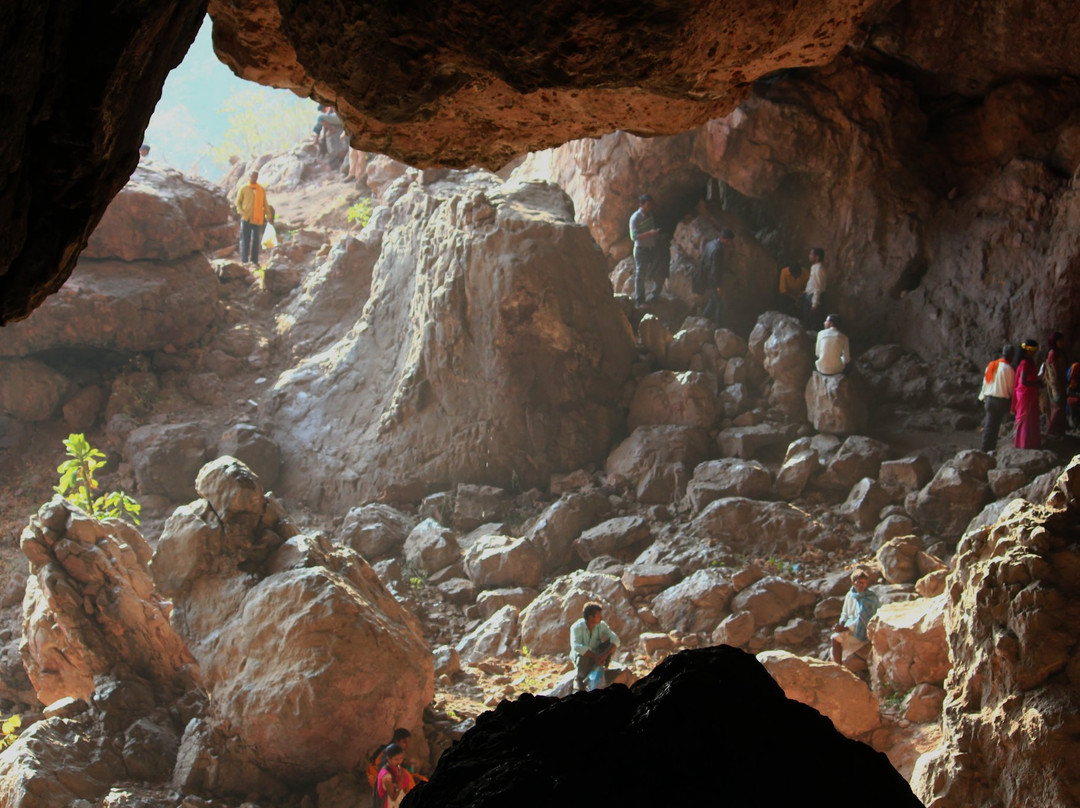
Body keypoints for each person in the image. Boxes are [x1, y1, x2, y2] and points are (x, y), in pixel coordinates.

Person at [831, 570, 880, 666]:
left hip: (863, 631)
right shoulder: (850, 595)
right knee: (835, 638)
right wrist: (840, 624)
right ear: (853, 583)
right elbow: (845, 613)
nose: (863, 585)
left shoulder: (869, 598)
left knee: (835, 639)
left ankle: (839, 668)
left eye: (865, 583)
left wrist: (846, 628)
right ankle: (838, 666)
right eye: (860, 583)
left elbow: (863, 619)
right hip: (850, 626)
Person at [569, 602, 620, 690]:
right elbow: (576, 646)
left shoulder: (601, 625)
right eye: (599, 615)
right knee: (582, 653)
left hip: (599, 657)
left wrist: (604, 655)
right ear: (591, 617)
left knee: (610, 644)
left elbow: (615, 639)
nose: (601, 617)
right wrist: (595, 656)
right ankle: (580, 678)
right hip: (584, 659)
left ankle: (603, 669)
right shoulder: (576, 627)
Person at [979, 344, 1016, 453]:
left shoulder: (992, 365)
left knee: (989, 426)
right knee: (995, 427)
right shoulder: (1009, 369)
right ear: (1011, 355)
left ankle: (986, 449)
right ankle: (989, 449)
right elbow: (1011, 388)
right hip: (1001, 401)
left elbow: (985, 383)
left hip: (990, 400)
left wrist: (983, 397)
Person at [629, 194, 662, 305]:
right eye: (647, 205)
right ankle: (640, 300)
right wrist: (649, 233)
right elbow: (634, 237)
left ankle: (655, 295)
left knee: (657, 270)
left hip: (651, 248)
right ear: (641, 205)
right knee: (641, 274)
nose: (650, 207)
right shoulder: (635, 218)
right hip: (641, 250)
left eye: (651, 205)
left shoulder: (650, 215)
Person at [235, 170, 273, 266]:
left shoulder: (261, 189)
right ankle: (244, 260)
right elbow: (238, 202)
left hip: (258, 218)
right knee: (245, 239)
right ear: (249, 177)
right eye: (252, 176)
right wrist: (241, 212)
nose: (254, 178)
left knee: (256, 240)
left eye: (256, 176)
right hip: (246, 217)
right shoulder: (244, 188)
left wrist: (268, 215)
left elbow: (265, 204)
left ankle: (254, 261)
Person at [700, 229, 735, 323]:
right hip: (713, 280)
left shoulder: (710, 244)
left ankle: (704, 318)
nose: (730, 243)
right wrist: (718, 286)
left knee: (713, 300)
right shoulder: (718, 250)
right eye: (728, 241)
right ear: (723, 239)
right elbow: (715, 270)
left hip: (707, 276)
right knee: (720, 303)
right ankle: (719, 325)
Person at [1012, 339, 1042, 449]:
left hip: (1030, 392)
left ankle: (1031, 442)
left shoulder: (1030, 362)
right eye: (1033, 351)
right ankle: (1023, 443)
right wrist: (1036, 383)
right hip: (1026, 393)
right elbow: (1024, 381)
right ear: (1028, 351)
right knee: (1025, 418)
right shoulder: (1025, 363)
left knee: (1031, 417)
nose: (1034, 354)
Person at [1044, 331, 1067, 437]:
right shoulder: (1053, 353)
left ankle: (1059, 431)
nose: (1062, 343)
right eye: (1060, 341)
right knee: (1057, 406)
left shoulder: (1060, 353)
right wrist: (1059, 378)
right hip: (1056, 384)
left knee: (1060, 406)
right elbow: (1054, 371)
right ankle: (1051, 431)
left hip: (1061, 383)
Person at [374, 743, 407, 808]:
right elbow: (393, 797)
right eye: (396, 759)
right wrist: (401, 779)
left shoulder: (394, 768)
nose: (399, 762)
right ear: (388, 759)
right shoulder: (387, 776)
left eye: (401, 759)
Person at [803, 247, 827, 328]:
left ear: (817, 257)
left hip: (813, 298)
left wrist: (814, 304)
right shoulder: (815, 268)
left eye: (811, 254)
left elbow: (818, 287)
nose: (809, 256)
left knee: (811, 322)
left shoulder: (818, 269)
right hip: (810, 296)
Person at [1067, 361, 1080, 430]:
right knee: (1072, 401)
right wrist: (1077, 394)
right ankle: (1073, 422)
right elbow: (1069, 391)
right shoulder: (1074, 381)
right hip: (1075, 398)